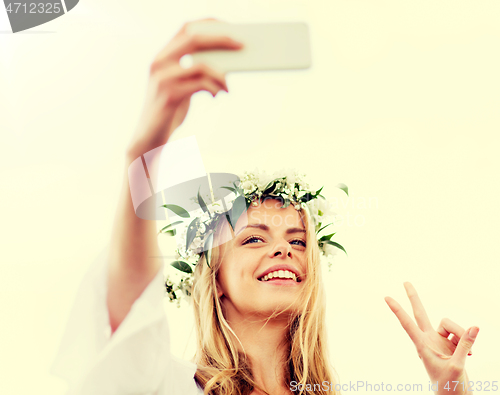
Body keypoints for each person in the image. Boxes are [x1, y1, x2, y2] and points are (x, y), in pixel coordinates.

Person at [51, 18, 479, 395]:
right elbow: (131, 316)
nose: (284, 250)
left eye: (298, 240)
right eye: (254, 237)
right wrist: (144, 152)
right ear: (213, 276)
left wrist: (452, 392)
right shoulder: (168, 384)